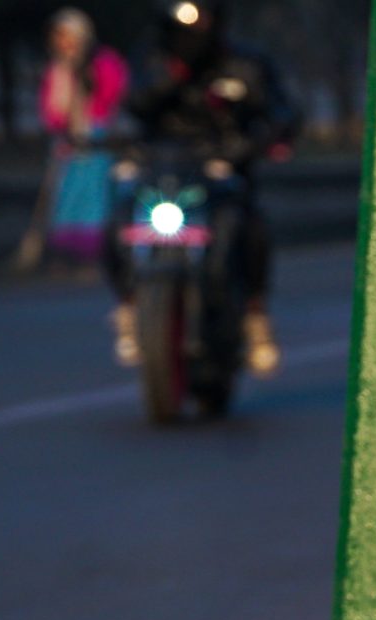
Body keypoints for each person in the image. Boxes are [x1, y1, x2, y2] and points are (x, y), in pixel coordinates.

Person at [106, 0, 299, 374]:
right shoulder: (152, 61)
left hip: (223, 173)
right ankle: (129, 304)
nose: (192, 35)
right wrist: (170, 79)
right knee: (118, 222)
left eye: (200, 21)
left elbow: (281, 111)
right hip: (161, 171)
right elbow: (132, 105)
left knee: (250, 229)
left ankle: (254, 315)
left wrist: (265, 139)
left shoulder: (245, 64)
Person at [17, 9, 127, 271]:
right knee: (64, 194)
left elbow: (111, 92)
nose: (63, 42)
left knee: (93, 195)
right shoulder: (58, 68)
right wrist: (61, 126)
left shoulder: (102, 62)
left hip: (95, 138)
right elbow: (50, 107)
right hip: (66, 141)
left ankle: (92, 255)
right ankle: (64, 253)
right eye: (59, 36)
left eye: (68, 36)